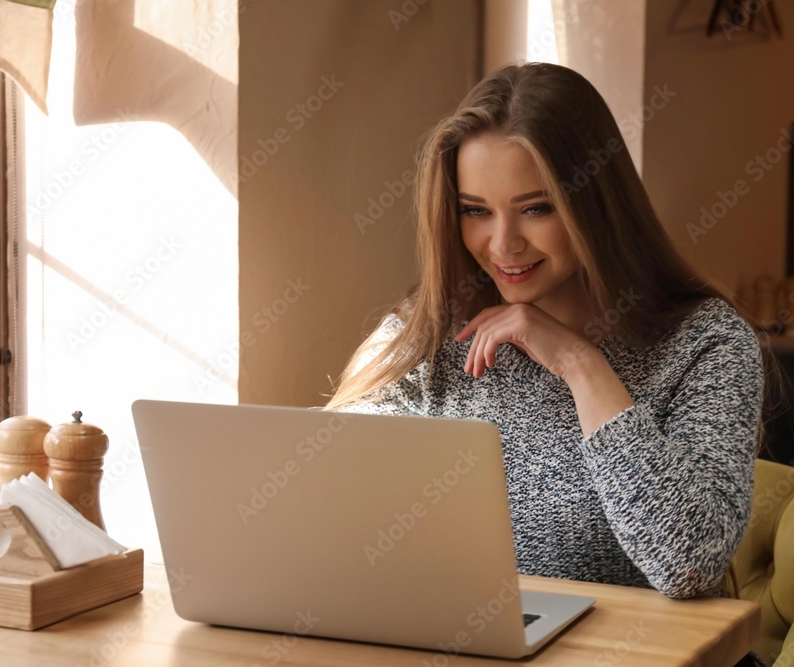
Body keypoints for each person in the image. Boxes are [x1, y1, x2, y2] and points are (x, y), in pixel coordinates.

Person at [323, 62, 767, 611]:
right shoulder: (430, 329)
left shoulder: (707, 343)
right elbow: (331, 497)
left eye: (536, 208)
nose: (503, 244)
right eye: (476, 212)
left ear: (596, 205)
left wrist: (581, 364)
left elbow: (689, 562)